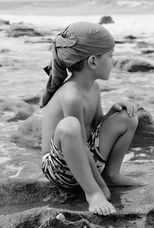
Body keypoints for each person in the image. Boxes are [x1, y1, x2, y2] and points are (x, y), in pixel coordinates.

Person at [41, 21, 138, 216]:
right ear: (93, 62)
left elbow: (95, 127)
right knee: (70, 126)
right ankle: (91, 193)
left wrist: (112, 113)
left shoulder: (94, 87)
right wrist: (98, 188)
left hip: (85, 155)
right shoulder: (71, 95)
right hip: (61, 167)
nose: (114, 61)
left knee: (128, 116)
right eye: (110, 56)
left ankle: (112, 174)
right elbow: (79, 140)